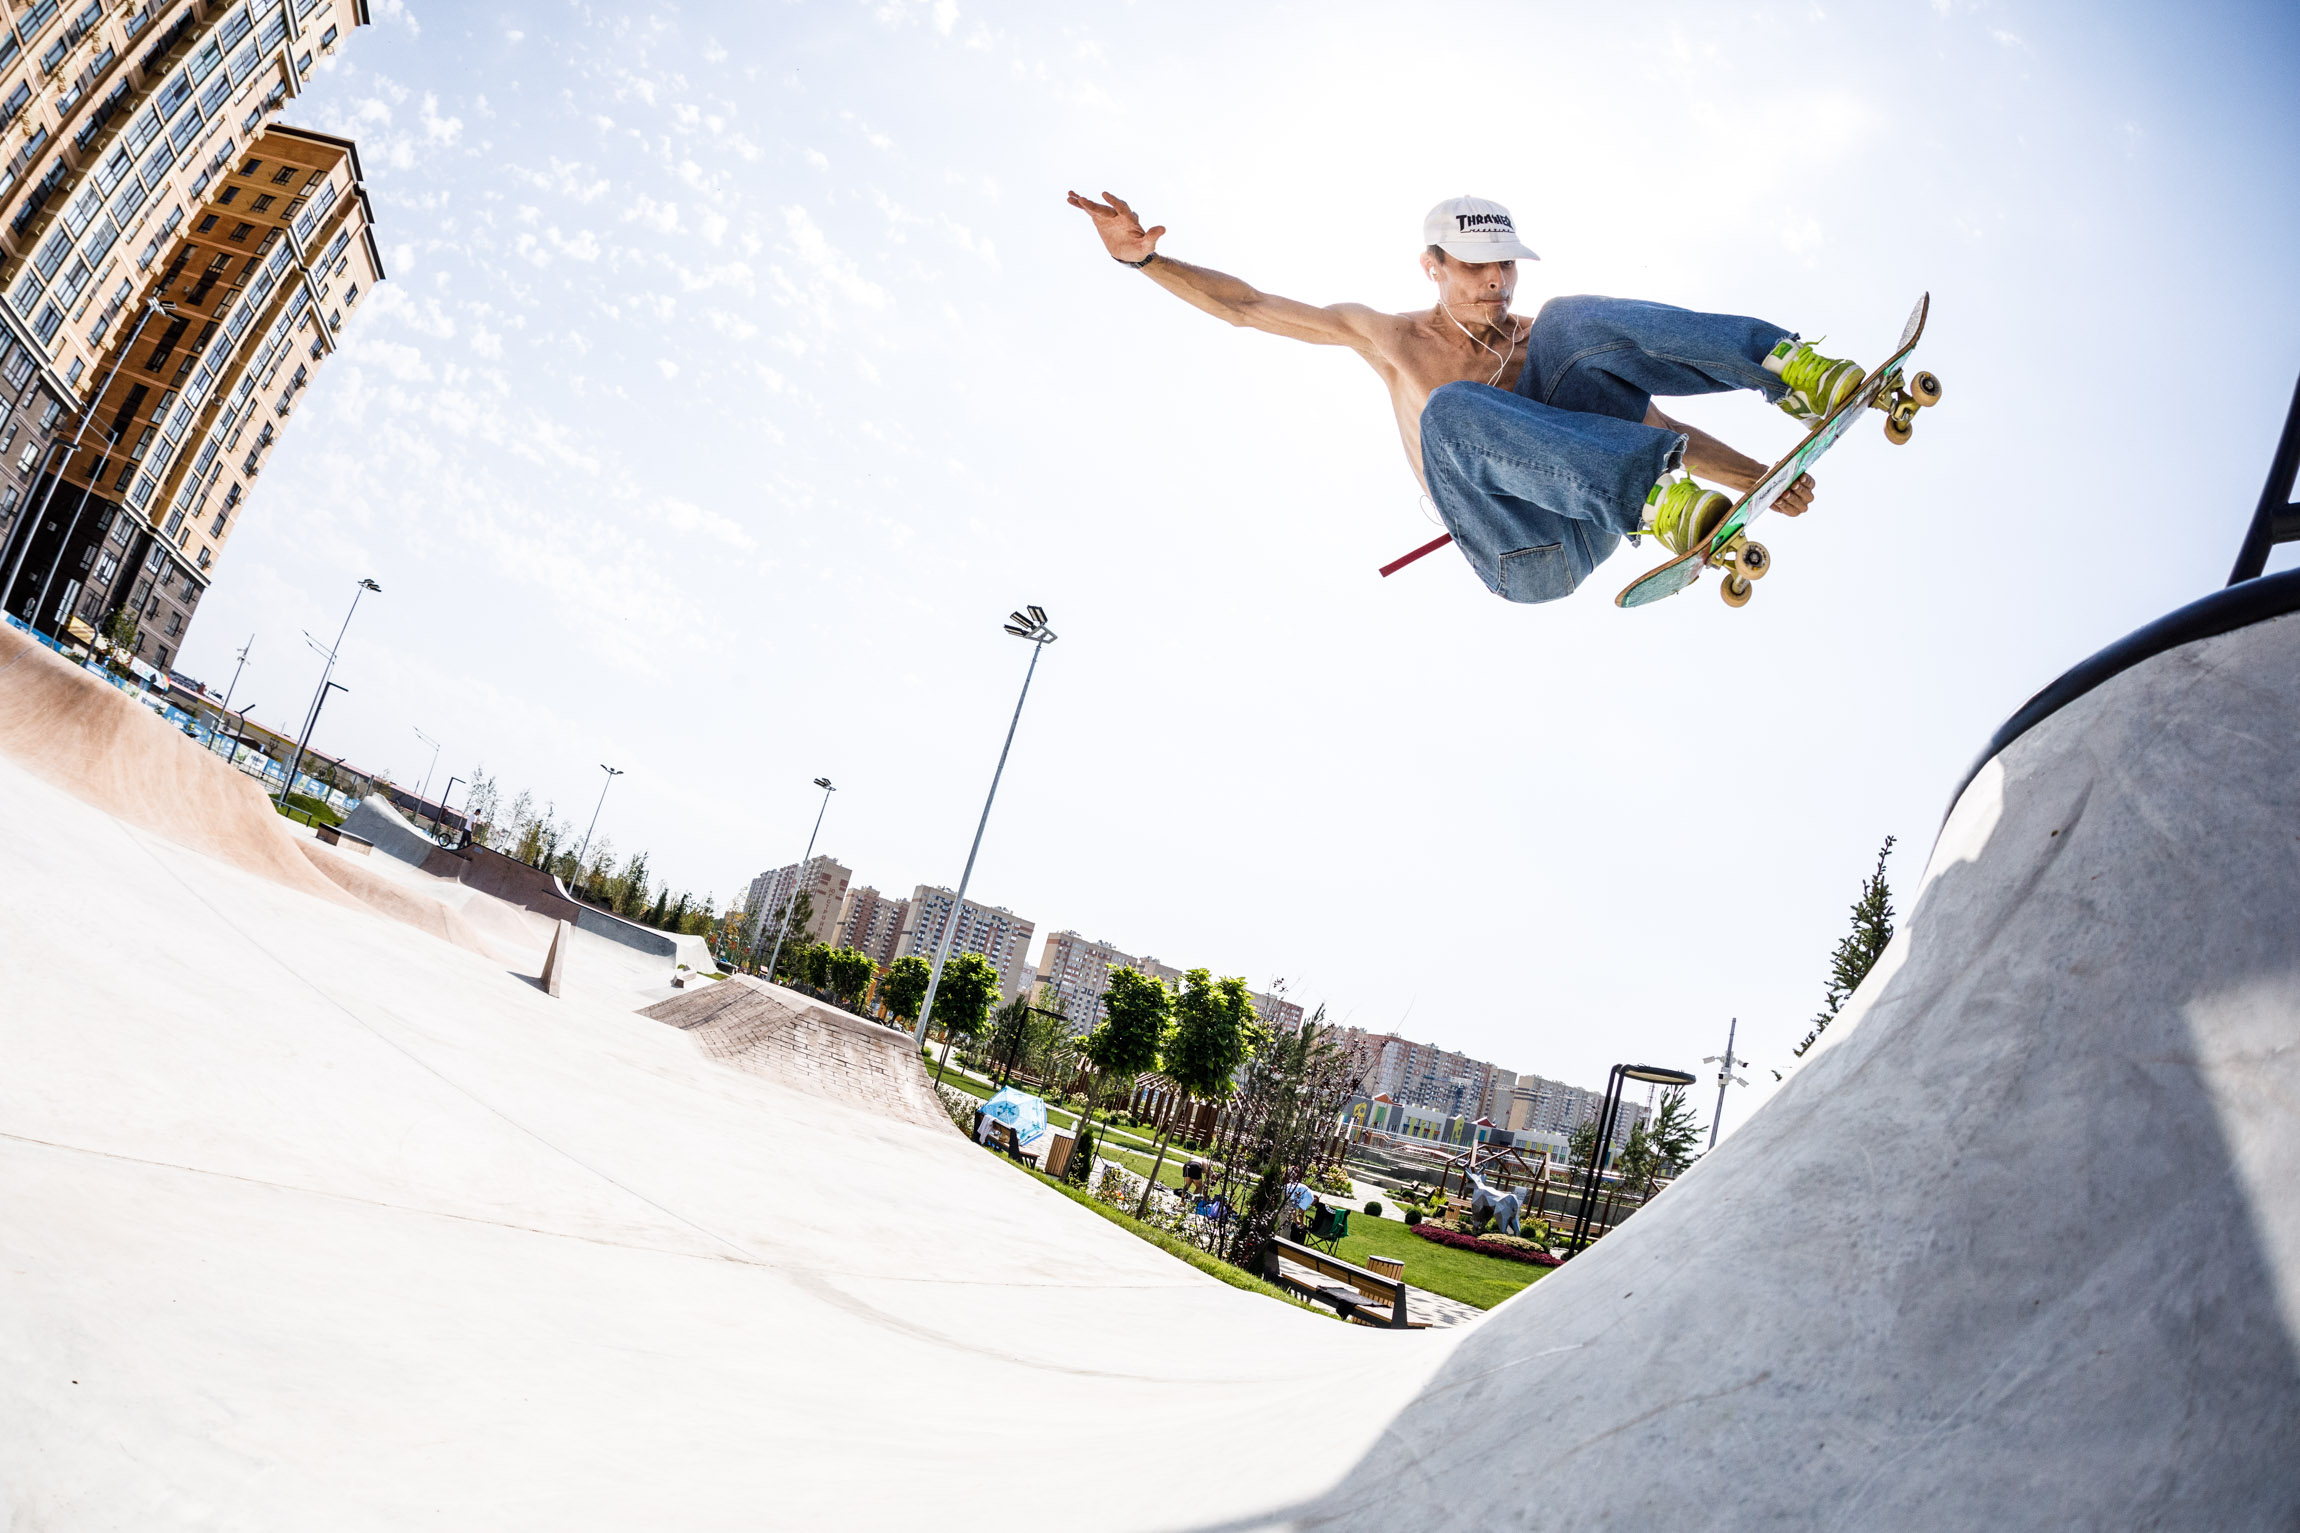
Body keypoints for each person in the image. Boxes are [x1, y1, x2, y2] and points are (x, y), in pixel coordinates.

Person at [1066, 191, 1870, 605]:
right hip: (1523, 552)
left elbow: (1653, 425)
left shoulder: (1540, 344)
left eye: (1506, 267)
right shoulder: (1389, 337)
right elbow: (1249, 307)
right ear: (1433, 266)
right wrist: (1145, 263)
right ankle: (1655, 501)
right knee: (1452, 410)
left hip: (1603, 512)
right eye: (1477, 267)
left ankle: (1786, 365)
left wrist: (1758, 478)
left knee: (1572, 319)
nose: (1496, 282)